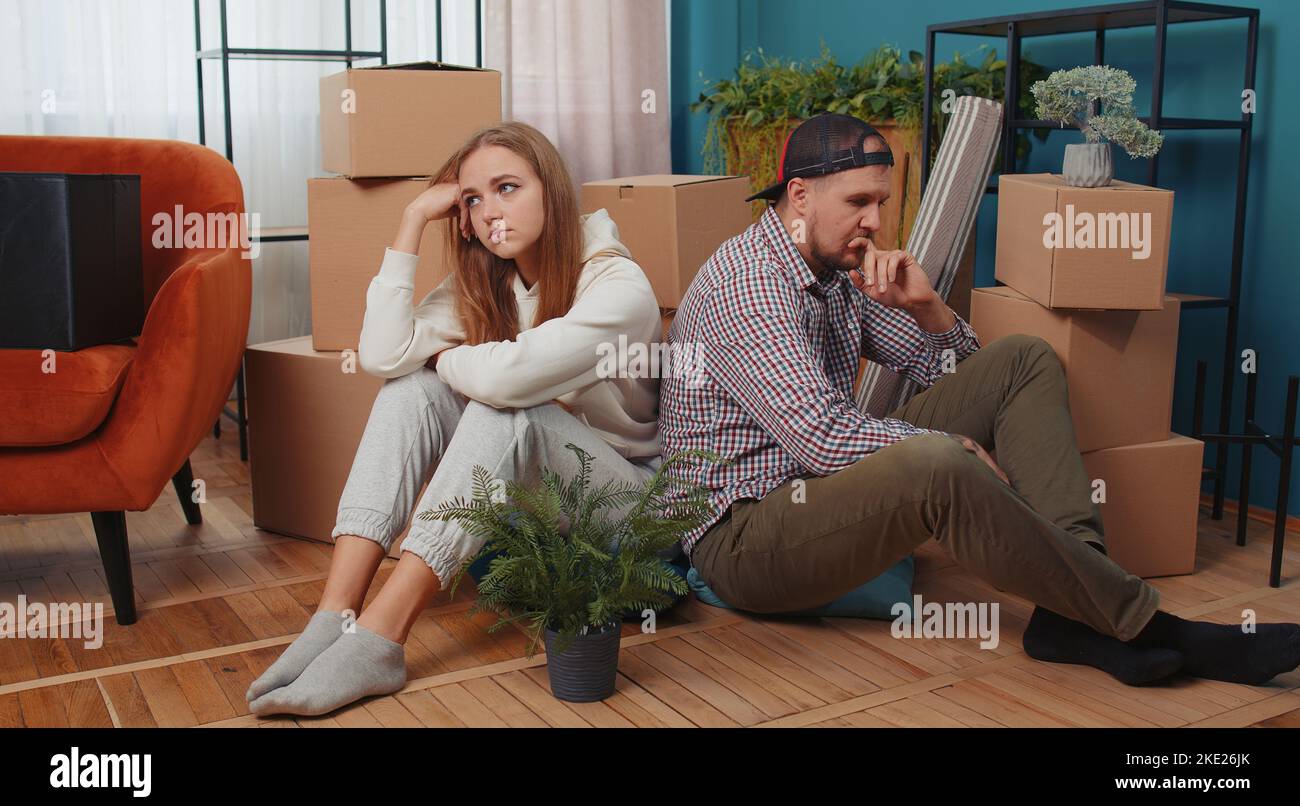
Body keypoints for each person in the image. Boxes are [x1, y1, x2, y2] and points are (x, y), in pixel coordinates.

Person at [659, 112, 1300, 687]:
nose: (876, 224)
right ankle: (1147, 623)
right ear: (799, 196)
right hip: (743, 536)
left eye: (881, 203)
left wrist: (929, 306)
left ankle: (1073, 609)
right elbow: (822, 439)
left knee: (1021, 360)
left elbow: (955, 371)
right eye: (859, 201)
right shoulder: (748, 285)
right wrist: (949, 445)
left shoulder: (834, 270)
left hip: (819, 489)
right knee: (935, 462)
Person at [246, 121, 664, 716]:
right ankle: (334, 615)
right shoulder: (492, 281)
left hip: (628, 510)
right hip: (547, 503)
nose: (490, 211)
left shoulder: (619, 286)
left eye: (507, 188)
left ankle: (381, 638)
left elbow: (505, 382)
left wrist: (451, 356)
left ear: (552, 188)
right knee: (409, 387)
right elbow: (382, 355)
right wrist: (414, 216)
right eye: (472, 198)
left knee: (505, 410)